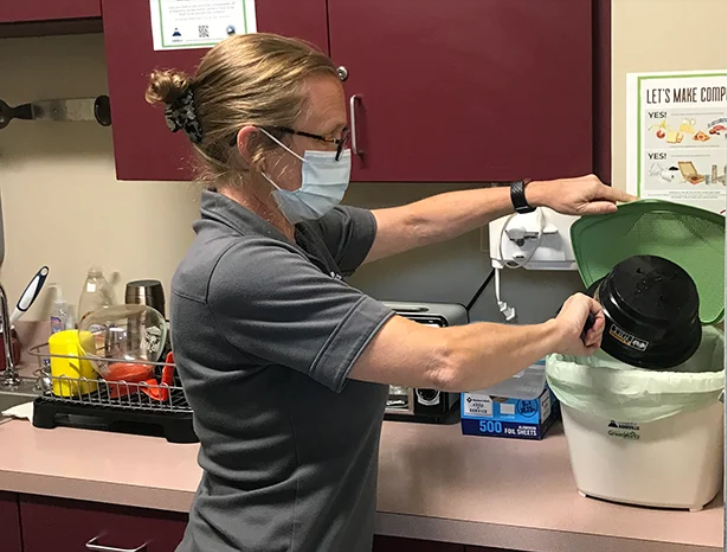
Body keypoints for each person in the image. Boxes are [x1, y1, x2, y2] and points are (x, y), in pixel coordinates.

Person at [145, 33, 634, 552]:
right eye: (330, 137)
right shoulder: (241, 270)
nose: (342, 153)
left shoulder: (293, 230)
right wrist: (557, 332)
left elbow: (415, 223)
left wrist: (532, 194)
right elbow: (445, 360)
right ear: (256, 148)